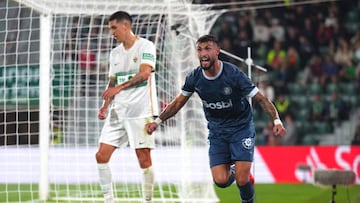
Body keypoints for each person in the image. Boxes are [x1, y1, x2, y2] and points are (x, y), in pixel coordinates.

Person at [145, 35, 286, 203]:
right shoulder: (194, 77)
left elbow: (261, 99)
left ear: (217, 51)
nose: (203, 53)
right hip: (217, 132)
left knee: (242, 181)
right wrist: (157, 122)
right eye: (199, 49)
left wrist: (276, 120)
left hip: (241, 128)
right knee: (221, 181)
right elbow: (177, 104)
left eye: (207, 49)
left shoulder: (233, 74)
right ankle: (238, 170)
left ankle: (247, 196)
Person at [96, 11, 159, 203]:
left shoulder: (145, 46)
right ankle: (109, 200)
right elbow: (112, 83)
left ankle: (147, 200)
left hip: (141, 112)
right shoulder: (114, 53)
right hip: (117, 112)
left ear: (126, 25)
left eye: (114, 27)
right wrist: (104, 105)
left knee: (144, 160)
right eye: (110, 29)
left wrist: (119, 88)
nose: (112, 32)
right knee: (101, 155)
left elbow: (145, 73)